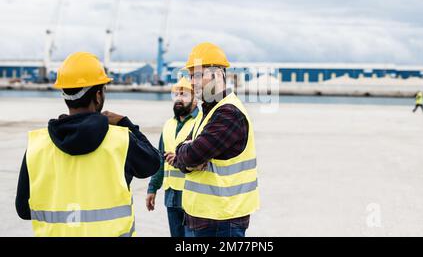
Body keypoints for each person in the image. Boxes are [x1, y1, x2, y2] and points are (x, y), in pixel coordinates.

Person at [15, 52, 161, 237]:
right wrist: (126, 122)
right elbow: (154, 162)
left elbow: (23, 209)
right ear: (98, 96)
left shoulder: (37, 146)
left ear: (65, 95)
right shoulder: (121, 141)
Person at [168, 42, 260, 237]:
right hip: (205, 218)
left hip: (222, 220)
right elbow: (182, 152)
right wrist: (186, 157)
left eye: (198, 75)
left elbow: (191, 155)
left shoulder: (228, 113)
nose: (192, 82)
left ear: (218, 75)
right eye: (191, 76)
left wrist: (188, 157)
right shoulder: (207, 111)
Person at [146, 77, 201, 237]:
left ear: (195, 99)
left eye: (183, 95)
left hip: (193, 195)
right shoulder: (168, 125)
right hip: (171, 197)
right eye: (176, 94)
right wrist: (152, 189)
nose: (178, 98)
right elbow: (160, 160)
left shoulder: (201, 122)